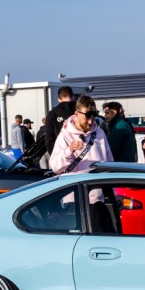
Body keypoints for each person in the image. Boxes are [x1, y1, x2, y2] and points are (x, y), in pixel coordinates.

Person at [50, 95, 115, 231]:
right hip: (73, 201)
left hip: (97, 200)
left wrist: (114, 191)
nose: (91, 121)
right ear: (77, 113)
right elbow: (55, 166)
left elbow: (110, 164)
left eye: (94, 115)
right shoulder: (65, 135)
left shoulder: (99, 133)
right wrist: (69, 150)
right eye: (87, 116)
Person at [45, 86, 78, 156]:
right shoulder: (80, 112)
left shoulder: (52, 113)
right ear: (73, 97)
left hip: (61, 153)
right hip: (81, 152)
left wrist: (55, 155)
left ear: (59, 99)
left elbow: (49, 139)